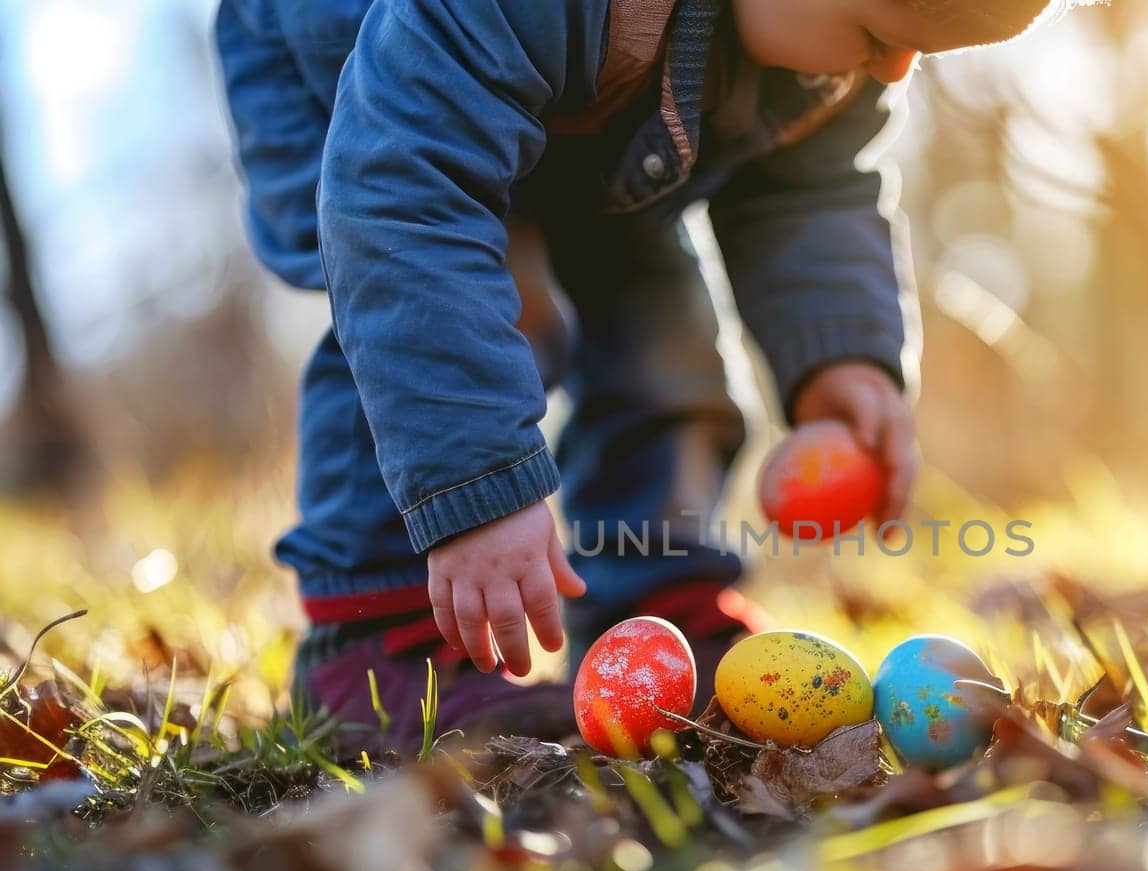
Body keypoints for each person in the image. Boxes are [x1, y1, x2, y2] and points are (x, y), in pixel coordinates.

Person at [215, 0, 1057, 753]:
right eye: (881, 32)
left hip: (603, 135)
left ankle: (658, 609)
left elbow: (814, 192)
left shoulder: (826, 51)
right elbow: (401, 203)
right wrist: (472, 485)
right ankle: (374, 645)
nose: (897, 68)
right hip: (371, 107)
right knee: (446, 310)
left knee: (665, 334)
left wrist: (842, 356)